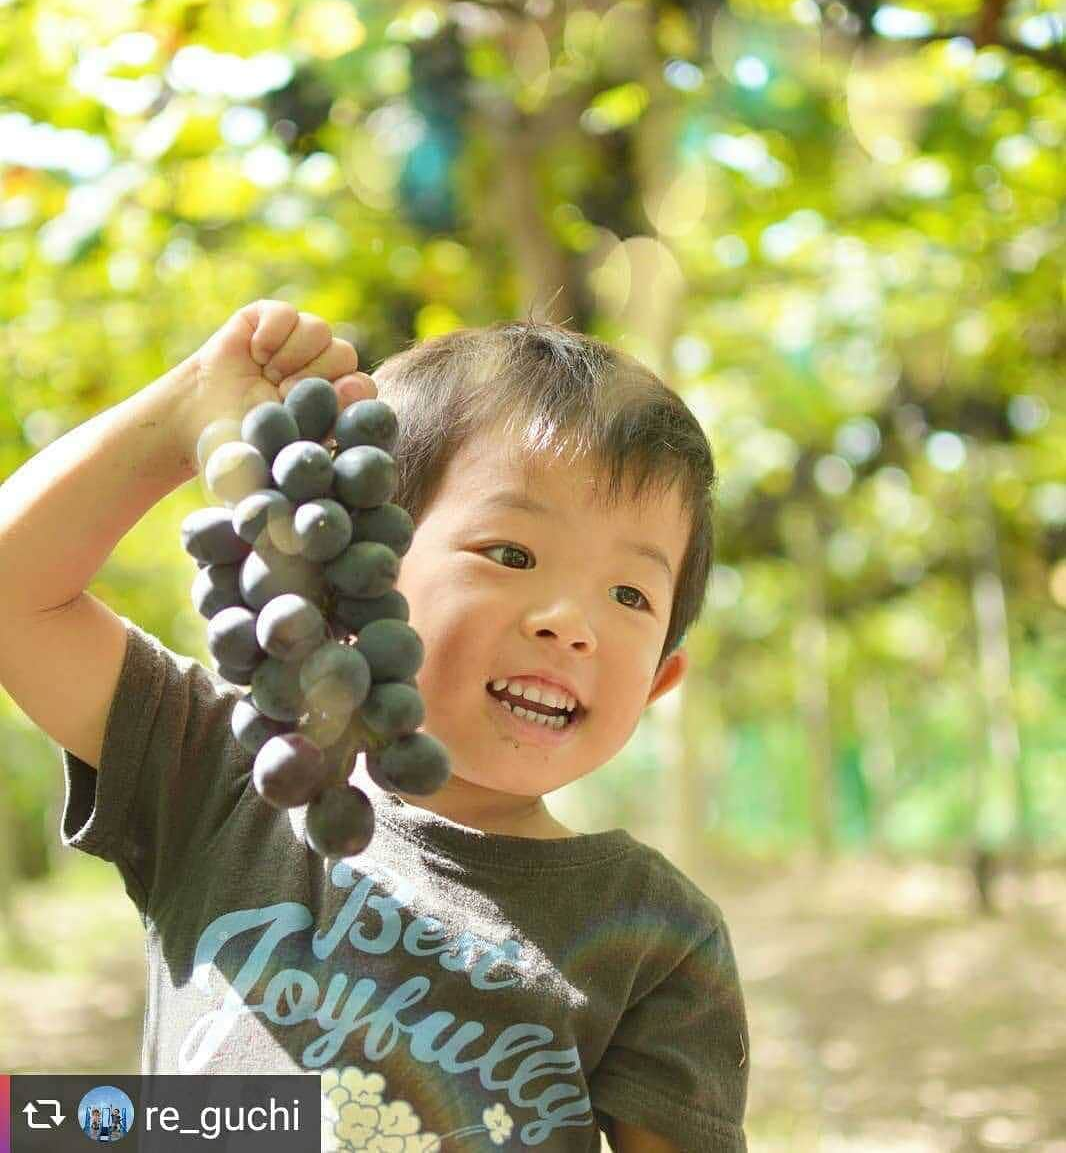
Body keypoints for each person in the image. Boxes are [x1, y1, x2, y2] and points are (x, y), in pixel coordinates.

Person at [0, 299, 749, 1151]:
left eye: (630, 594)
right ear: (354, 567)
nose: (570, 621)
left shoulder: (657, 933)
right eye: (511, 553)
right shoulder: (235, 781)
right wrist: (188, 410)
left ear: (661, 682)